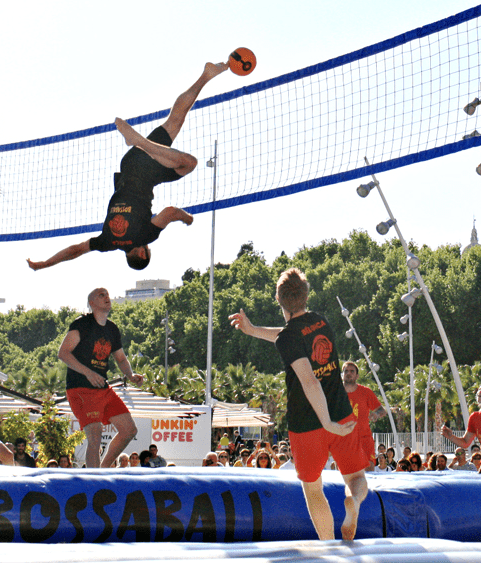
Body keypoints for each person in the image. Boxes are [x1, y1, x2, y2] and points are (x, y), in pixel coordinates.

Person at [27, 62, 229, 272]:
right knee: (174, 121)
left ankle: (141, 142)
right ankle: (206, 76)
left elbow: (170, 212)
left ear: (142, 253)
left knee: (189, 163)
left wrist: (188, 219)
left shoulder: (145, 236)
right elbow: (76, 250)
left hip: (147, 171)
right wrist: (45, 264)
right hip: (130, 163)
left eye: (148, 250)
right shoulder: (107, 242)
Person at [229, 267, 369, 541]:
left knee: (313, 488)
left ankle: (329, 547)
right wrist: (254, 330)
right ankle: (353, 503)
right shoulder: (321, 321)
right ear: (306, 296)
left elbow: (309, 381)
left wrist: (324, 421)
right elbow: (287, 335)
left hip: (307, 422)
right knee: (355, 477)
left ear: (278, 300)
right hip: (341, 412)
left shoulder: (288, 337)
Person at [58, 288, 144, 469]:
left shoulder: (112, 328)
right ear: (91, 303)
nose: (107, 297)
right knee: (95, 436)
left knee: (129, 430)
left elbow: (120, 358)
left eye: (107, 294)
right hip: (80, 388)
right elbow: (63, 353)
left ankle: (103, 471)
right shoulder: (81, 324)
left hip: (102, 388)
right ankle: (93, 482)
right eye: (101, 295)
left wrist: (131, 375)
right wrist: (88, 372)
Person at [342, 361, 385, 471]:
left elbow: (382, 411)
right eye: (346, 371)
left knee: (369, 469)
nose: (348, 373)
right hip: (343, 439)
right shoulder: (336, 393)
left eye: (352, 371)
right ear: (342, 374)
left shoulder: (366, 392)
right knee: (346, 473)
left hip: (364, 439)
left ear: (357, 376)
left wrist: (375, 414)